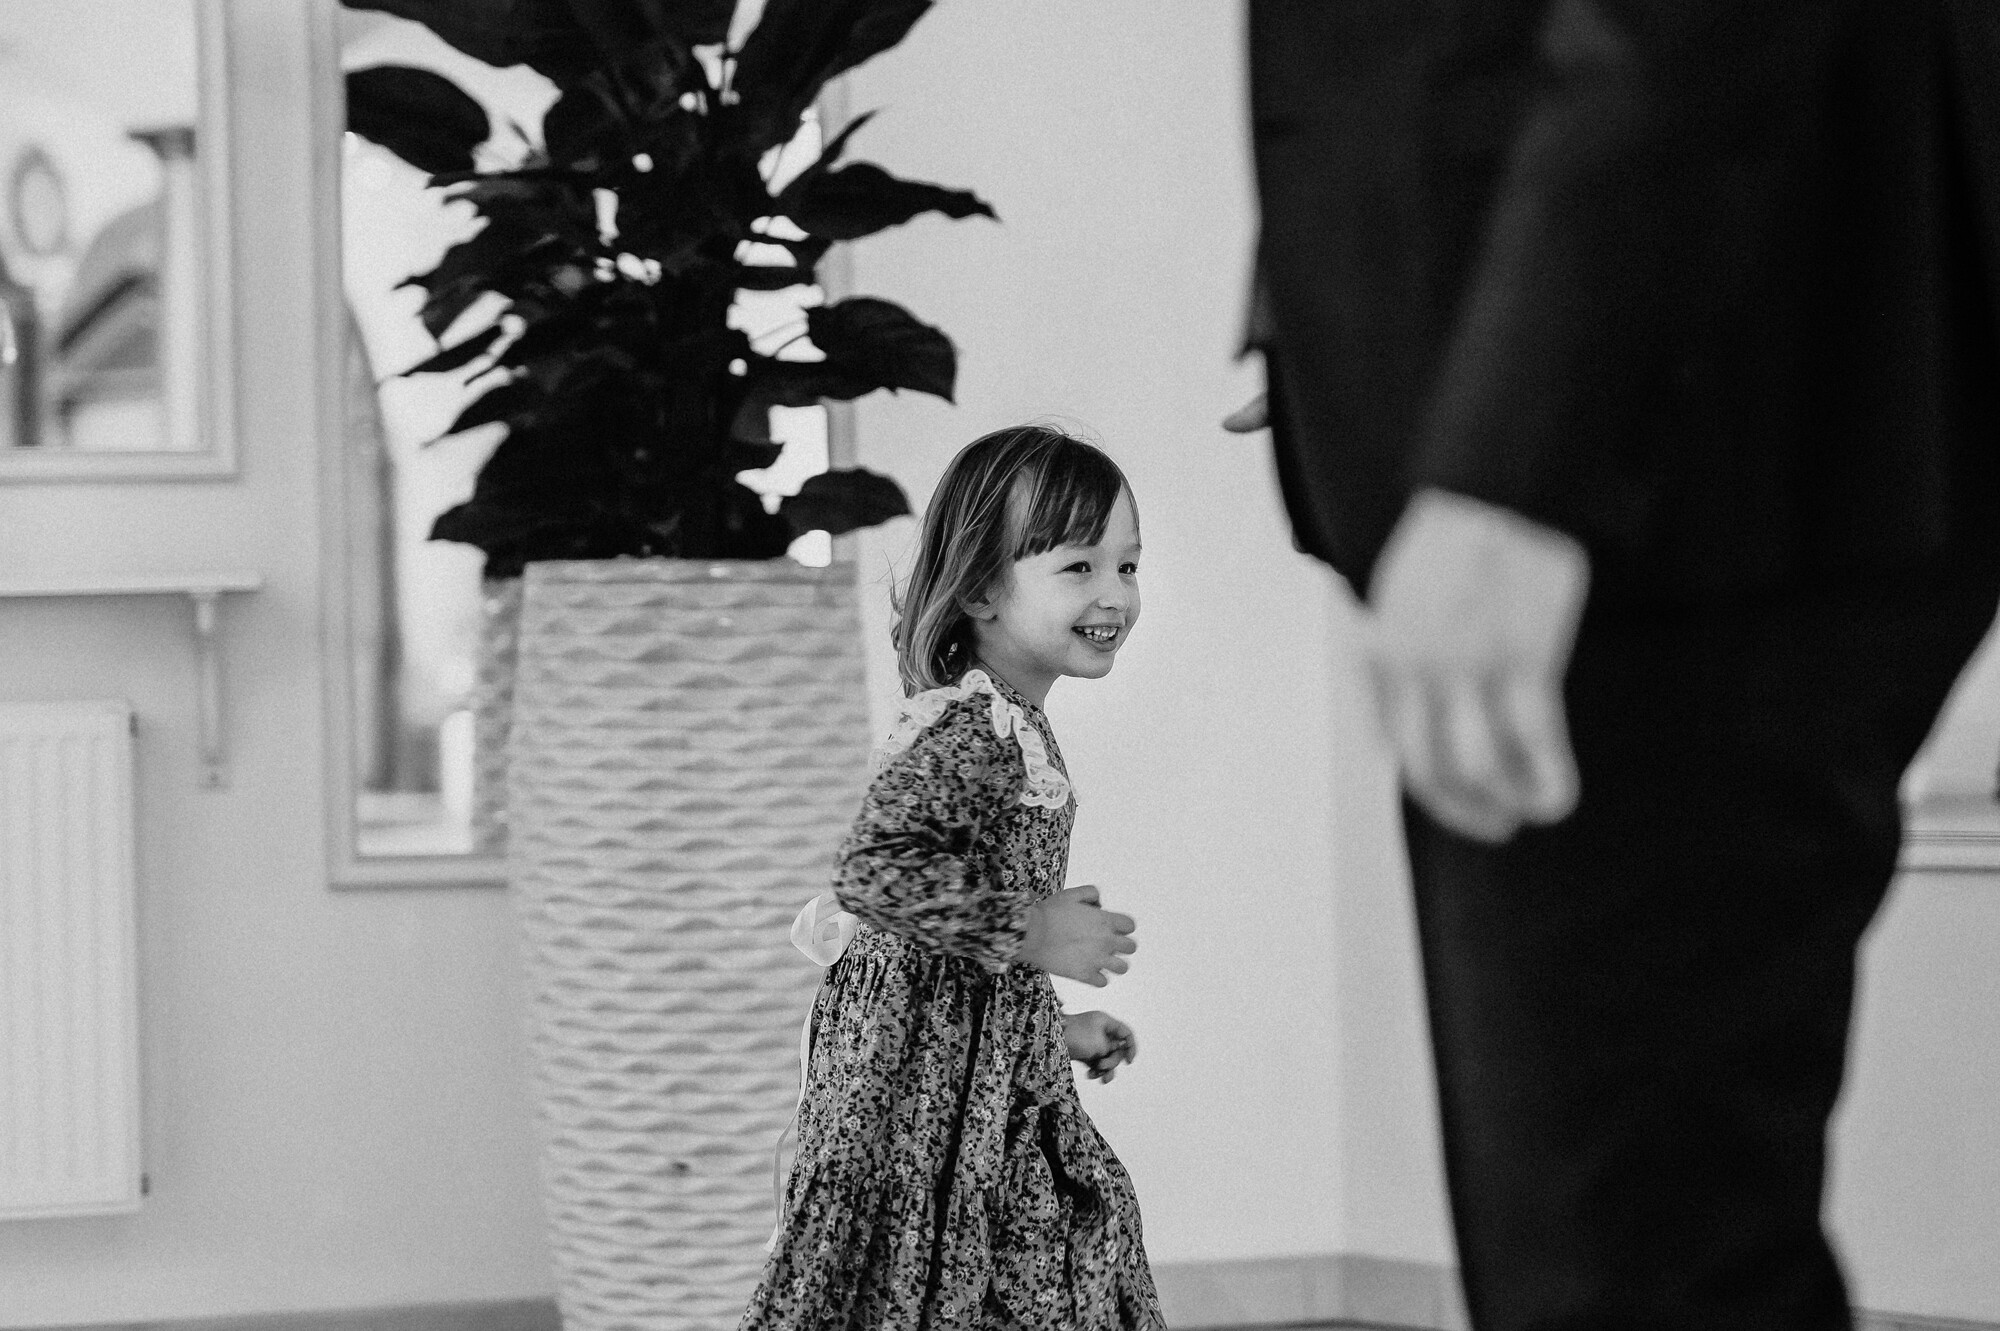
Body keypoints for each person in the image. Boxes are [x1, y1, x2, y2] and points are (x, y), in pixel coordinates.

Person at [1236, 4, 2000, 1329]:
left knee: (1627, 1272)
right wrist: (1331, 273)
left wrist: (1527, 443)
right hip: (1629, 369)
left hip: (1691, 409)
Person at [741, 425, 1164, 1331]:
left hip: (972, 1087)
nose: (1116, 594)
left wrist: (1051, 1029)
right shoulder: (975, 728)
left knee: (1041, 1254)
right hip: (912, 1105)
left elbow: (949, 954)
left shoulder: (1016, 723)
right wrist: (1035, 930)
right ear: (979, 589)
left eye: (1127, 565)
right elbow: (874, 869)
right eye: (1079, 566)